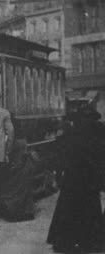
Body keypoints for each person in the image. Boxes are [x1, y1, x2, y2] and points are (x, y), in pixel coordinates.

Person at [47, 105, 105, 253]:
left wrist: (59, 175)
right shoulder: (99, 133)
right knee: (89, 209)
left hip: (73, 178)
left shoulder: (71, 133)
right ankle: (89, 241)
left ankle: (65, 241)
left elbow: (61, 156)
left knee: (68, 209)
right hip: (89, 179)